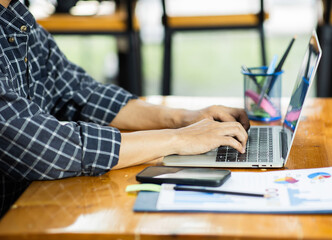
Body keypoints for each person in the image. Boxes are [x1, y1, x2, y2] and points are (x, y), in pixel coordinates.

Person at [0, 0, 249, 217]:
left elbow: (80, 92)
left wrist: (183, 119)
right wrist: (178, 139)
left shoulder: (19, 23)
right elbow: (42, 146)